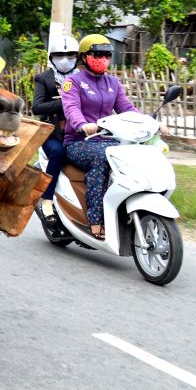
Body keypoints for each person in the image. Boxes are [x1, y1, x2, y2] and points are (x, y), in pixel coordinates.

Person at [61, 34, 165, 239]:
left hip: (108, 141)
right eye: (98, 54)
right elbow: (71, 108)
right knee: (102, 159)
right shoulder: (73, 82)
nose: (103, 59)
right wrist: (82, 125)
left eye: (107, 55)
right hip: (79, 141)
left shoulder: (113, 83)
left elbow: (127, 109)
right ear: (84, 57)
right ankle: (96, 220)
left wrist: (152, 124)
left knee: (135, 156)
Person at [33, 34, 79, 220]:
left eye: (70, 55)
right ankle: (47, 198)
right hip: (53, 134)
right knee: (58, 152)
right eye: (60, 55)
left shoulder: (83, 78)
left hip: (79, 132)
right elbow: (37, 107)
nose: (65, 60)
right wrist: (65, 102)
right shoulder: (44, 78)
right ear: (51, 57)